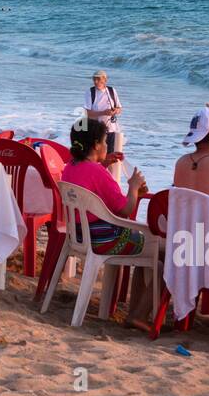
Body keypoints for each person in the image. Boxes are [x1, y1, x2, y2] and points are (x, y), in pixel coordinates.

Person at [60, 119, 155, 328]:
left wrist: (103, 164)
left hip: (79, 235)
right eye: (105, 142)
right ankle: (138, 314)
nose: (106, 146)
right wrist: (134, 187)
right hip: (103, 239)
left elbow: (89, 179)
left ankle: (136, 312)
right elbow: (124, 209)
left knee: (148, 245)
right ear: (96, 145)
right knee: (158, 249)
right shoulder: (98, 173)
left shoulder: (71, 167)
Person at [84, 70, 123, 153]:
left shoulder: (112, 90)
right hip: (96, 129)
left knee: (109, 154)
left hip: (111, 129)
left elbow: (119, 108)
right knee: (96, 154)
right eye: (94, 79)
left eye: (98, 79)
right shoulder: (90, 92)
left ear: (105, 80)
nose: (95, 81)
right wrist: (103, 112)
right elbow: (88, 113)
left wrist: (115, 111)